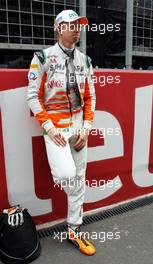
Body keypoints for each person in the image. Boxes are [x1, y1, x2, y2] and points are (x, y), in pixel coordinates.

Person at [27, 9, 96, 256]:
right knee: (68, 176)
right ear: (58, 28)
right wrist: (48, 127)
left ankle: (73, 230)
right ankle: (73, 207)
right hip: (55, 130)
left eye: (79, 25)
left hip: (79, 129)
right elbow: (33, 97)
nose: (77, 29)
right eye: (71, 25)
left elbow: (91, 98)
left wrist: (87, 128)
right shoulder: (42, 58)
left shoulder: (85, 60)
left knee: (79, 181)